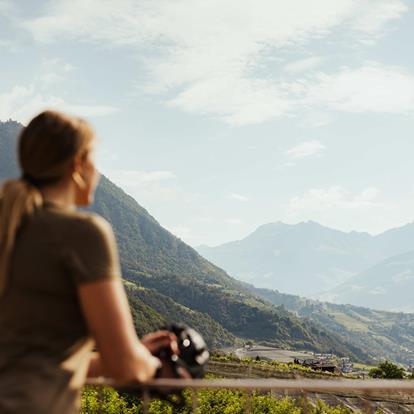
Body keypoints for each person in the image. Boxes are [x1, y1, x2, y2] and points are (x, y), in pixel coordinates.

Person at [0, 110, 177, 414]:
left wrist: (133, 352)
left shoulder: (10, 226)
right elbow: (126, 370)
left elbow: (37, 364)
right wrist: (148, 362)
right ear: (78, 165)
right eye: (95, 161)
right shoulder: (83, 234)